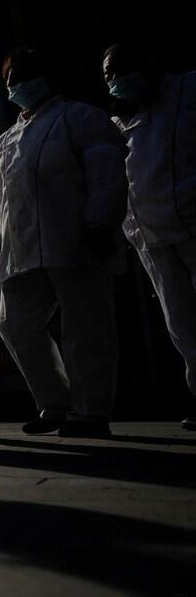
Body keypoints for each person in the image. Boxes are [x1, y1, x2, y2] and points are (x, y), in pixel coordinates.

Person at [0, 48, 127, 437]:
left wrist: (99, 225)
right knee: (13, 325)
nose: (18, 85)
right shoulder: (2, 142)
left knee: (86, 326)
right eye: (11, 79)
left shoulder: (80, 118)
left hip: (73, 239)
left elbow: (107, 174)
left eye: (26, 75)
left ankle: (91, 412)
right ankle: (55, 403)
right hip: (20, 247)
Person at [103, 43, 196, 430]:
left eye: (121, 69)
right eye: (108, 75)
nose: (115, 80)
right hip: (152, 236)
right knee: (182, 324)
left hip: (192, 222)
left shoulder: (189, 91)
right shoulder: (119, 121)